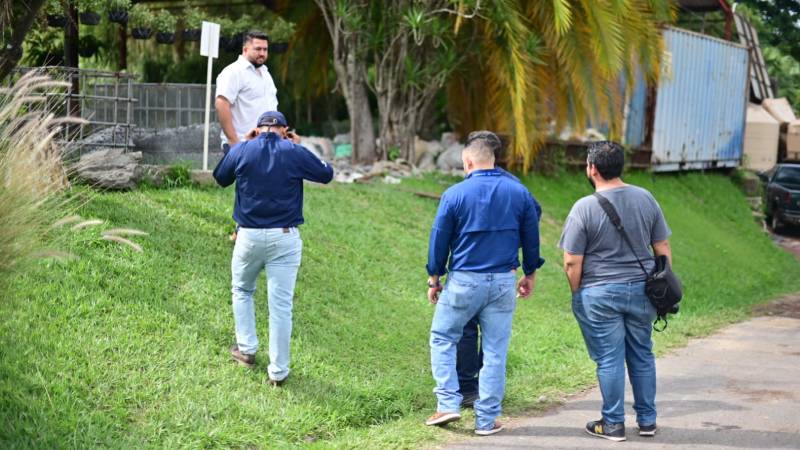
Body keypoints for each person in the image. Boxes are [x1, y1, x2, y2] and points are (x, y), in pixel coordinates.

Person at [425, 130, 544, 436]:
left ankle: (448, 404)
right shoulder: (518, 192)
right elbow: (532, 236)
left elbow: (439, 239)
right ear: (493, 160)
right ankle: (487, 419)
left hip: (464, 280)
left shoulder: (454, 195)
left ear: (467, 161)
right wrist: (530, 272)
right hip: (504, 281)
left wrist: (434, 277)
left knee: (442, 337)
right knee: (495, 350)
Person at [559, 141, 672, 442]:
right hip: (643, 291)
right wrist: (661, 283)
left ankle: (612, 424)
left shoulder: (583, 208)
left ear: (592, 169)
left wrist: (577, 292)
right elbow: (662, 248)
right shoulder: (646, 199)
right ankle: (647, 421)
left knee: (609, 359)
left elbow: (572, 261)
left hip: (600, 293)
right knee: (642, 355)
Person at [212, 111, 334, 386]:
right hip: (284, 237)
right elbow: (327, 174)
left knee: (242, 290)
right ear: (284, 129)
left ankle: (246, 350)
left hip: (249, 236)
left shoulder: (244, 148)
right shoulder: (293, 151)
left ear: (258, 129)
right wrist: (298, 146)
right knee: (280, 307)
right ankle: (278, 373)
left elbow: (220, 177)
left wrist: (242, 143)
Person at [456, 167, 540, 408]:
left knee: (469, 329)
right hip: (502, 271)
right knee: (493, 335)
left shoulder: (466, 186)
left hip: (471, 270)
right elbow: (534, 214)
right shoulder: (514, 186)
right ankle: (484, 390)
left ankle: (469, 388)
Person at [215, 31, 278, 154]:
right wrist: (234, 142)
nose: (262, 53)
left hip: (267, 146)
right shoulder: (233, 72)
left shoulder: (266, 74)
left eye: (265, 49)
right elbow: (221, 104)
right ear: (245, 49)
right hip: (242, 146)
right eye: (258, 49)